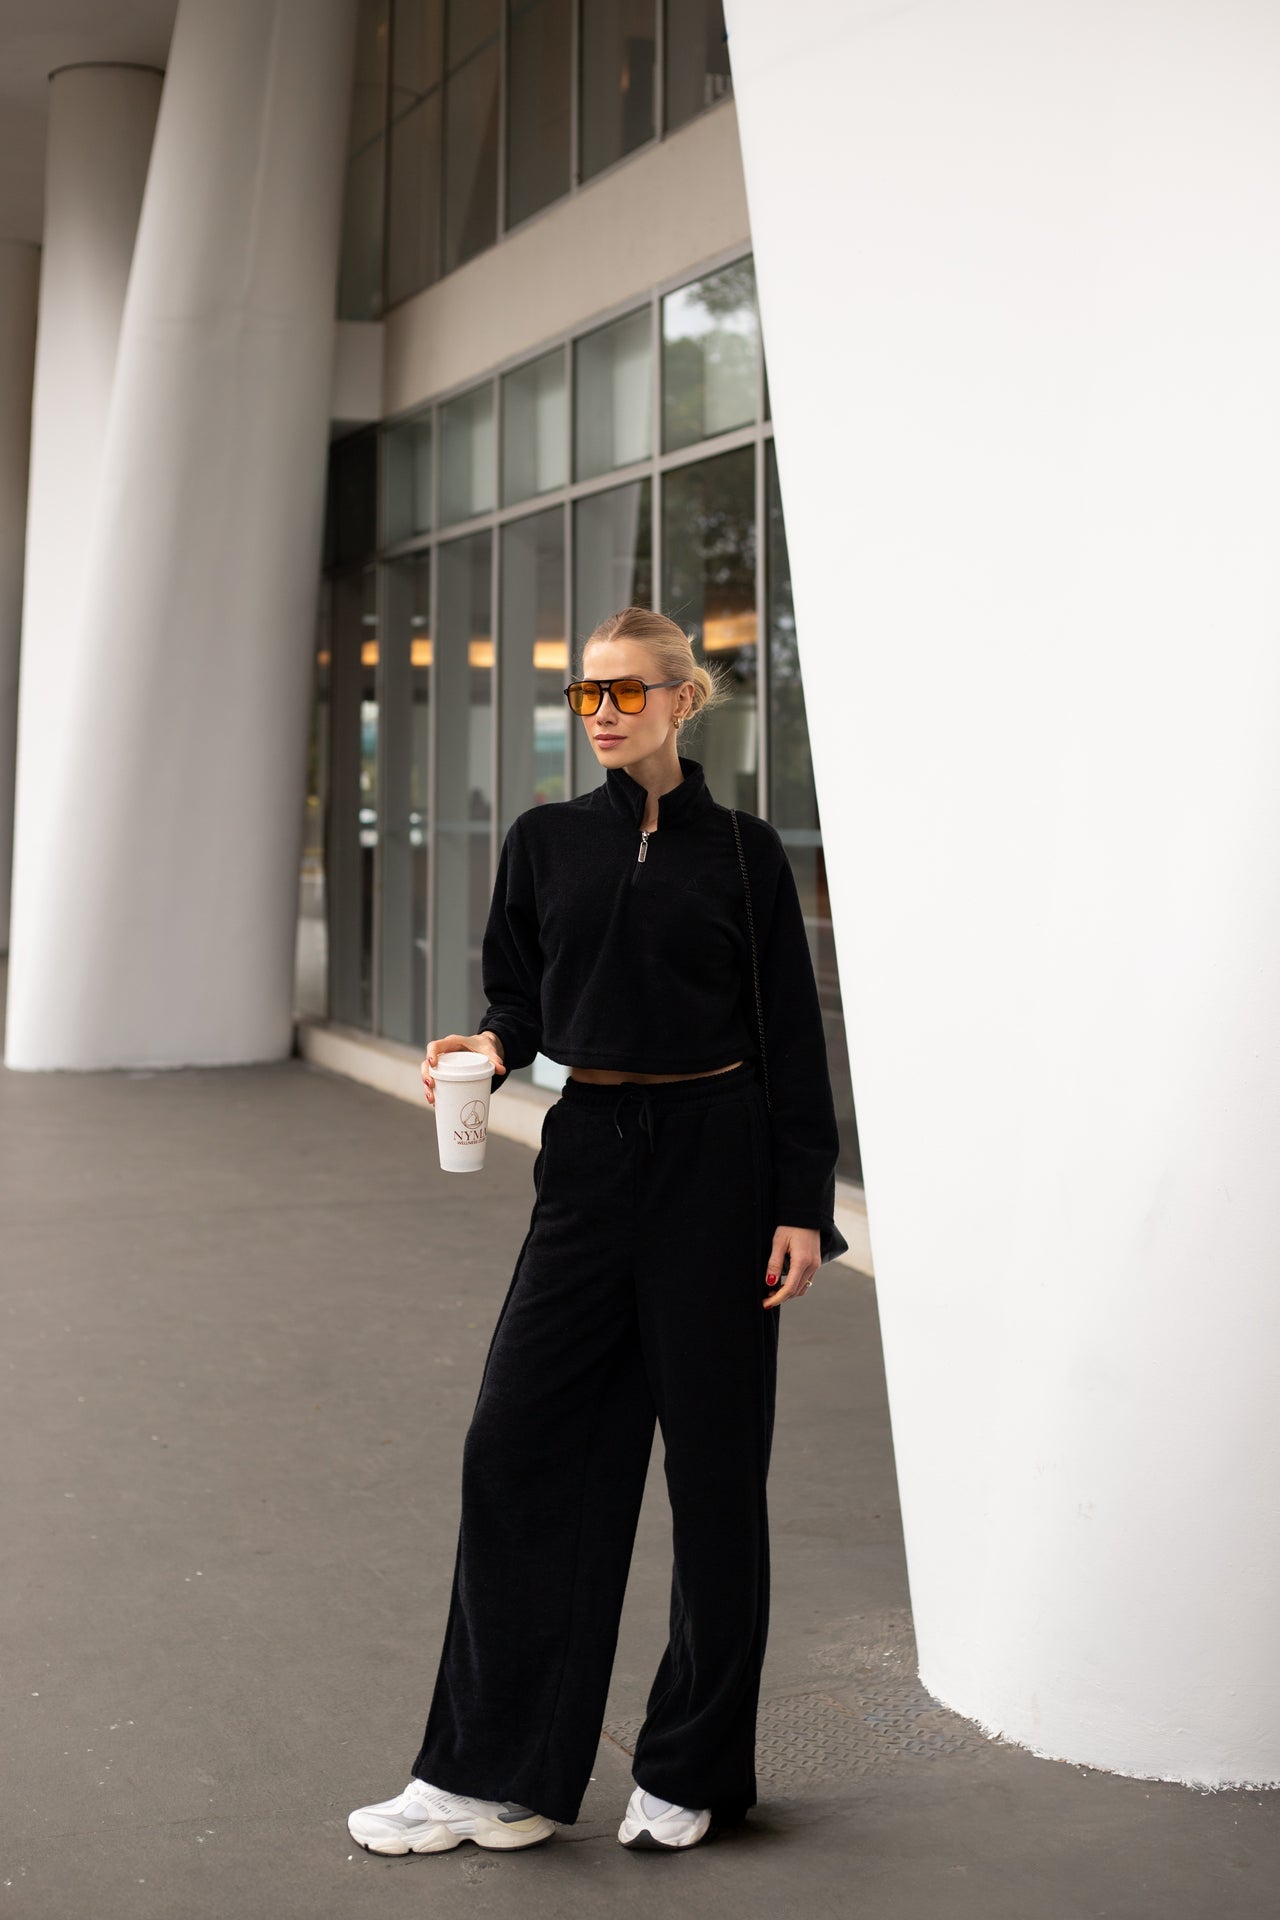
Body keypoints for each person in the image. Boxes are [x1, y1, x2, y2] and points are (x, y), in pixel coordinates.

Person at [348, 605, 842, 1856]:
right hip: (588, 1160)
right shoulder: (545, 841)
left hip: (719, 1163)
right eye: (586, 694)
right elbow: (518, 995)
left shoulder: (743, 854)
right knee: (517, 1445)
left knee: (712, 1475)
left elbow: (789, 1035)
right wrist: (485, 1043)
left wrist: (801, 1204)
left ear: (683, 700)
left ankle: (689, 1770)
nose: (603, 712)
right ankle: (492, 1777)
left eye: (627, 691)